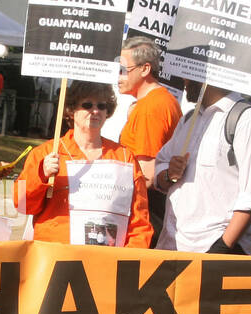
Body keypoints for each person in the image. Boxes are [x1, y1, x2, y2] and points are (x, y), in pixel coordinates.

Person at [14, 81, 152, 248]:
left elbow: (140, 220)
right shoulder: (46, 153)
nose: (95, 111)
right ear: (71, 111)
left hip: (106, 260)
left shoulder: (125, 157)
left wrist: (129, 259)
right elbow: (21, 205)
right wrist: (41, 176)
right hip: (56, 256)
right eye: (87, 105)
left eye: (102, 106)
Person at [152, 82, 251, 254]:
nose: (184, 81)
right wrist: (168, 174)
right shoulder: (189, 118)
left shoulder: (249, 120)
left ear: (207, 78)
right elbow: (159, 167)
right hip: (172, 248)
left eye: (189, 76)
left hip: (214, 252)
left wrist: (222, 247)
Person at [114, 35, 181, 239]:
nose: (119, 77)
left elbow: (148, 176)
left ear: (145, 69)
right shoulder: (153, 102)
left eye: (124, 70)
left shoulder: (151, 108)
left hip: (148, 212)